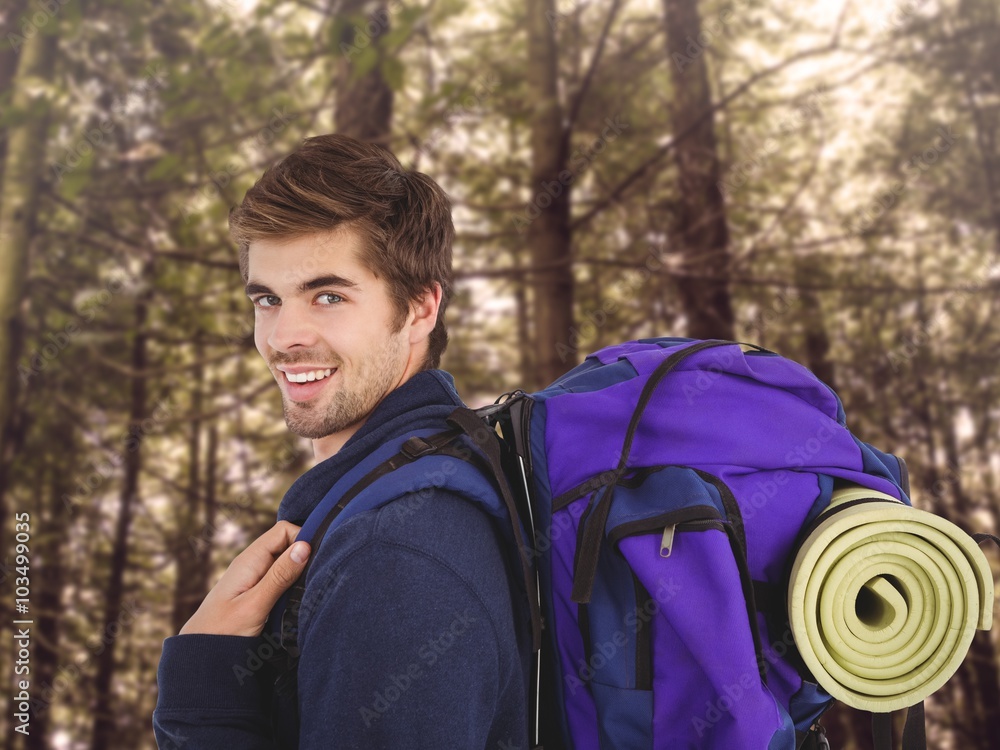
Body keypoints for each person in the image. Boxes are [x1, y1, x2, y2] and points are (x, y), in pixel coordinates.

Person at [152, 134, 532, 749]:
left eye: (328, 296)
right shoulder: (407, 490)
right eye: (268, 299)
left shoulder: (396, 553)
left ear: (419, 308)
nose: (284, 336)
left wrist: (204, 689)